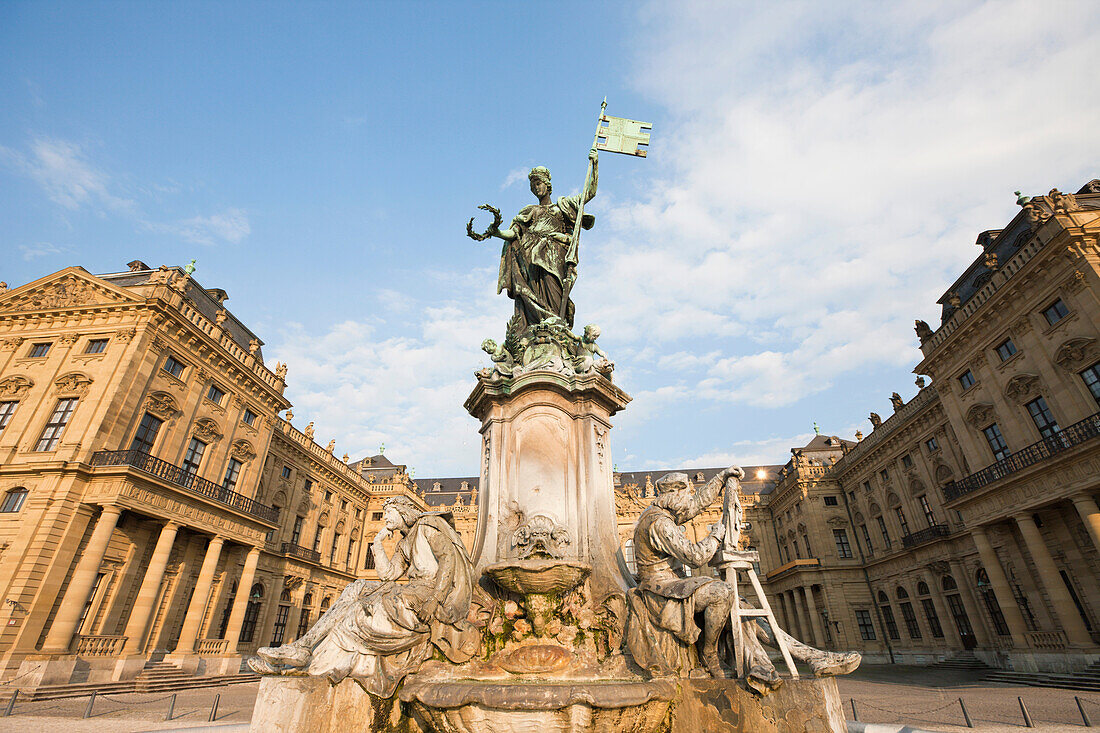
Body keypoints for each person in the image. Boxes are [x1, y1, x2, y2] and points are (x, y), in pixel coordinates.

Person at [626, 468, 860, 694]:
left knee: (745, 610)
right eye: (686, 493)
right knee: (722, 592)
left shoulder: (665, 513)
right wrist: (717, 533)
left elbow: (696, 503)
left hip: (675, 587)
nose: (690, 498)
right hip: (661, 590)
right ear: (674, 495)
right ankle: (709, 653)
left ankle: (806, 658)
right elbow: (696, 557)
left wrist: (721, 478)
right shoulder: (660, 523)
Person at [249, 496, 479, 697]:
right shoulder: (403, 542)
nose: (385, 519)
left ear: (402, 511)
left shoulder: (428, 526)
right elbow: (389, 575)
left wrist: (435, 599)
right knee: (355, 587)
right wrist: (377, 543)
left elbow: (449, 559)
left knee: (359, 611)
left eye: (388, 513)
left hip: (429, 591)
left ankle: (307, 661)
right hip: (412, 588)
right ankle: (302, 647)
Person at [484, 150, 599, 334]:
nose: (536, 188)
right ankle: (539, 326)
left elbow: (589, 193)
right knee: (534, 292)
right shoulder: (529, 210)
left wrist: (595, 164)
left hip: (554, 258)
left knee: (553, 287)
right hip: (531, 261)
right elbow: (513, 234)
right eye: (533, 186)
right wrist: (495, 232)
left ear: (547, 184)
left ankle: (555, 323)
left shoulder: (562, 206)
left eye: (538, 184)